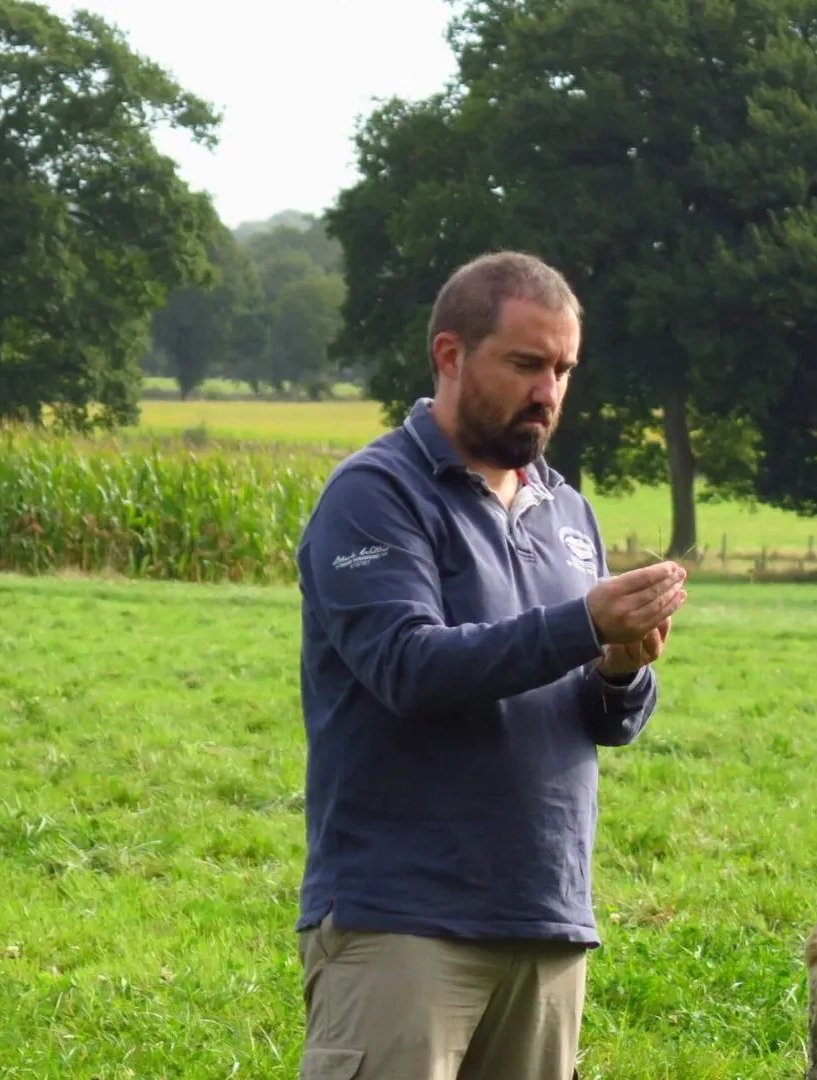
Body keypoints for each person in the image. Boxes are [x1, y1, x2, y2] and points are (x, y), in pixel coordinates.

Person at [293, 250, 688, 1080]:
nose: (548, 391)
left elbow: (602, 718)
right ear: (450, 355)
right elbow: (406, 666)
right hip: (403, 922)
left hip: (548, 920)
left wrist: (620, 666)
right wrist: (582, 621)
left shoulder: (569, 510)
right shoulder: (377, 493)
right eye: (526, 363)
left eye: (563, 369)